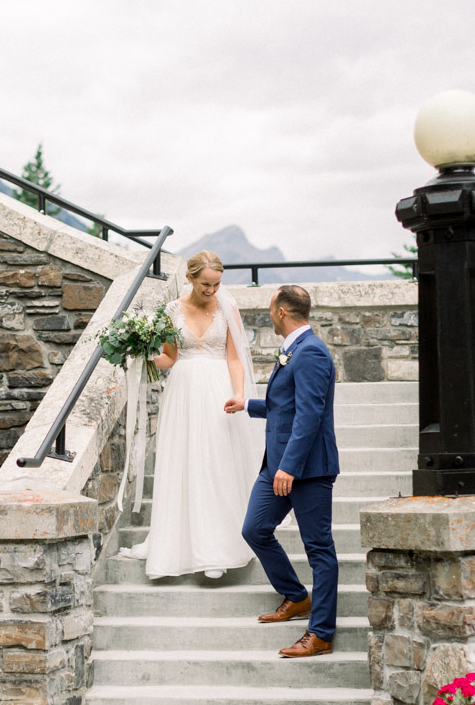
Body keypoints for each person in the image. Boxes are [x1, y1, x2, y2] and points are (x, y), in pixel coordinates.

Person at [121, 250, 263, 579]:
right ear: (190, 278)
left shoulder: (229, 308)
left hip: (217, 391)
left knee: (214, 463)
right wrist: (141, 357)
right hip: (182, 393)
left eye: (216, 284)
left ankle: (216, 549)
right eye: (205, 284)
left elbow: (235, 358)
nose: (212, 290)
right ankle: (176, 546)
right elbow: (170, 357)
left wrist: (239, 393)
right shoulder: (173, 310)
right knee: (182, 462)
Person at [224, 284, 339, 658]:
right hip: (276, 465)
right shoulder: (293, 350)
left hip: (308, 469)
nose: (269, 313)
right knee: (254, 529)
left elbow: (310, 415)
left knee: (318, 549)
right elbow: (286, 404)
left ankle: (320, 633)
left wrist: (289, 466)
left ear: (282, 312)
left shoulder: (311, 353)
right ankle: (295, 595)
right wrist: (248, 404)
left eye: (271, 308)